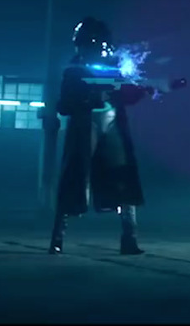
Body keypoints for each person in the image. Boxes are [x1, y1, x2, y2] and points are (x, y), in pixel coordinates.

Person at [48, 17, 153, 255]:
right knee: (74, 178)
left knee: (123, 178)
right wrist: (89, 98)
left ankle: (129, 239)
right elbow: (63, 105)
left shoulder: (115, 68)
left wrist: (142, 89)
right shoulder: (73, 72)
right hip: (85, 128)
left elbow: (129, 94)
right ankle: (57, 239)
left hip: (112, 124)